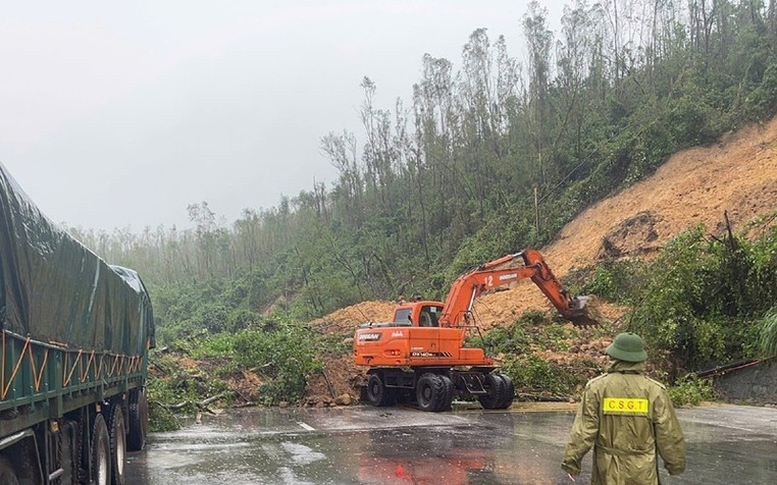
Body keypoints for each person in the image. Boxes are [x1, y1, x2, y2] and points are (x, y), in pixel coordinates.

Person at [561, 332, 686, 484]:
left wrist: (571, 461)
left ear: (614, 355)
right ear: (640, 357)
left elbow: (584, 430)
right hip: (643, 472)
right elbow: (668, 432)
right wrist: (675, 464)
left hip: (607, 470)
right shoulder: (655, 391)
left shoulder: (597, 388)